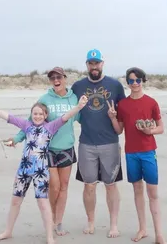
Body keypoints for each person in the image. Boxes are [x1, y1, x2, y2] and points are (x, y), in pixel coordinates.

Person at [0, 94, 88, 244]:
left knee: (43, 203)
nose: (37, 116)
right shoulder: (26, 126)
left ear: (45, 116)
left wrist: (79, 106)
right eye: (34, 113)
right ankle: (8, 231)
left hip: (41, 172)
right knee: (15, 201)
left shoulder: (50, 127)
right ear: (31, 115)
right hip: (23, 170)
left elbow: (66, 116)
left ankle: (49, 236)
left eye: (40, 114)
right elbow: (6, 115)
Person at [6, 67, 79, 236]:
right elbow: (29, 125)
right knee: (54, 186)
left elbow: (81, 117)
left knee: (64, 186)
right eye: (52, 78)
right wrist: (16, 139)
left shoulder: (73, 98)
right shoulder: (45, 99)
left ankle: (59, 222)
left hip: (67, 147)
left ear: (64, 78)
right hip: (49, 150)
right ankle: (51, 220)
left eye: (58, 77)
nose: (56, 80)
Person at [107, 67, 167, 244]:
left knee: (153, 193)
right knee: (137, 190)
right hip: (131, 153)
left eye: (138, 80)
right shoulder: (123, 105)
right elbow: (119, 130)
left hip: (148, 152)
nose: (134, 83)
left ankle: (159, 234)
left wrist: (150, 131)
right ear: (127, 82)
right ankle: (142, 229)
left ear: (143, 81)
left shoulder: (151, 103)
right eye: (131, 80)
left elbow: (161, 128)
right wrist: (112, 117)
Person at [71, 49, 126, 238]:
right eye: (91, 63)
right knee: (89, 185)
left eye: (97, 63)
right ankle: (91, 222)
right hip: (86, 143)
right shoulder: (77, 86)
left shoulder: (115, 85)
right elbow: (67, 107)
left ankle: (113, 225)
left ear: (103, 64)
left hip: (110, 143)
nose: (94, 67)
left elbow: (125, 112)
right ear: (87, 65)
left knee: (111, 185)